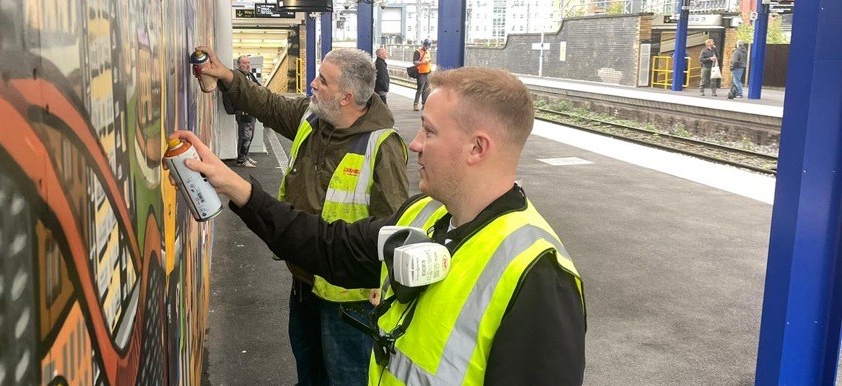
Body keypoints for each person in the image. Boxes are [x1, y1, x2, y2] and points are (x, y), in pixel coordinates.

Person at [173, 67, 587, 384]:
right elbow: (328, 246)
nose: (415, 143)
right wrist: (238, 188)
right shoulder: (423, 216)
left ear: (476, 148)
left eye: (429, 130)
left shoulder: (539, 276)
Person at [193, 45, 411, 385]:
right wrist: (227, 76)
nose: (312, 84)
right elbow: (267, 104)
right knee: (309, 375)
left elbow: (395, 225)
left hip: (349, 301)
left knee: (346, 379)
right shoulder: (313, 119)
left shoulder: (382, 146)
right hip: (305, 282)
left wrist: (384, 284)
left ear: (346, 97)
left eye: (322, 81)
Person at [235, 55, 262, 167]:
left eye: (248, 63)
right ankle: (241, 159)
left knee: (250, 134)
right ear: (239, 64)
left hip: (251, 110)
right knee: (245, 135)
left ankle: (246, 156)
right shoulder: (237, 76)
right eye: (244, 63)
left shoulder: (250, 75)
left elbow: (258, 87)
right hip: (243, 110)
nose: (247, 65)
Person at [411, 39, 432, 111]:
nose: (427, 47)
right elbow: (415, 62)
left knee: (426, 90)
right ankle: (416, 104)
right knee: (420, 89)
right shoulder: (418, 52)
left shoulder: (428, 52)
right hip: (421, 73)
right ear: (423, 44)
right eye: (426, 46)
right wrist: (423, 63)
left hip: (428, 72)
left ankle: (424, 104)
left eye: (428, 46)